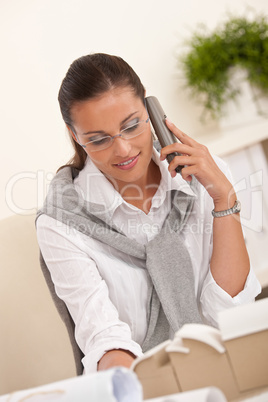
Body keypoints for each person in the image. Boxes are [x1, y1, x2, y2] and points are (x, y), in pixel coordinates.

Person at [36, 53, 261, 374]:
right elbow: (103, 335)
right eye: (98, 140)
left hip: (225, 364)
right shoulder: (60, 222)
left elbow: (229, 311)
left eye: (131, 126)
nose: (123, 149)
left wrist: (224, 198)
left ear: (150, 109)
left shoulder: (207, 177)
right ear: (75, 136)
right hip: (139, 379)